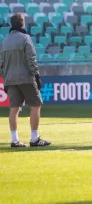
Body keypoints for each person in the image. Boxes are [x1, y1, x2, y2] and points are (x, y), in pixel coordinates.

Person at [0, 14, 50, 148]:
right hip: (26, 77)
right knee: (36, 104)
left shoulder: (5, 41)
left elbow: (1, 64)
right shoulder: (25, 38)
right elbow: (31, 59)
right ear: (22, 24)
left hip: (10, 79)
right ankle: (34, 138)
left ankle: (15, 140)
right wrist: (37, 76)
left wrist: (5, 80)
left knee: (14, 108)